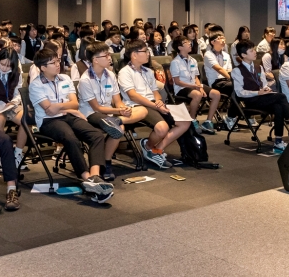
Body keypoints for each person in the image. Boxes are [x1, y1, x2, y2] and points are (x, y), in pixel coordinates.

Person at [29, 46, 114, 202]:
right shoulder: (35, 85)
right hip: (48, 122)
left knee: (96, 135)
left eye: (57, 61)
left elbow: (74, 104)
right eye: (53, 63)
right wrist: (63, 106)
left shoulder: (65, 79)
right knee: (70, 138)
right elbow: (48, 110)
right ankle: (86, 177)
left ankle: (95, 177)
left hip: (68, 115)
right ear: (42, 68)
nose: (57, 64)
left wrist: (59, 106)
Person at [118, 39, 191, 169]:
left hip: (153, 104)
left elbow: (155, 91)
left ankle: (156, 149)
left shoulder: (148, 71)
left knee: (185, 121)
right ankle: (147, 146)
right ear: (134, 55)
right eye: (145, 51)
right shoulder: (125, 72)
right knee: (162, 128)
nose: (148, 54)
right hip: (137, 106)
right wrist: (155, 106)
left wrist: (158, 101)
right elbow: (133, 96)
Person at [77, 41, 137, 181]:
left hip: (110, 113)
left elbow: (117, 100)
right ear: (95, 60)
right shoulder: (85, 80)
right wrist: (118, 111)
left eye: (109, 54)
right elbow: (96, 108)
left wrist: (122, 107)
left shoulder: (110, 75)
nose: (110, 57)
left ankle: (106, 160)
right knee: (117, 125)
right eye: (106, 55)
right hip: (91, 114)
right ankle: (106, 162)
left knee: (121, 124)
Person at [230, 41, 289, 153]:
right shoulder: (237, 71)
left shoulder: (259, 67)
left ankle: (278, 141)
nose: (255, 52)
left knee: (278, 106)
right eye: (251, 51)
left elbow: (263, 83)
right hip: (251, 101)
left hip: (264, 98)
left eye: (254, 49)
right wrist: (257, 93)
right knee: (281, 97)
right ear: (243, 55)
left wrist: (266, 89)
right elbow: (239, 92)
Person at [0, 47, 28, 173]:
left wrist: (13, 102)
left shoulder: (17, 73)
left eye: (8, 66)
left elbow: (18, 92)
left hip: (9, 104)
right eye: (2, 64)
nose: (4, 68)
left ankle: (18, 153)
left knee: (26, 120)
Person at [170, 37, 221, 135]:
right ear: (180, 47)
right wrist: (195, 87)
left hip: (194, 85)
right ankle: (192, 120)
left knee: (216, 94)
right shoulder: (175, 62)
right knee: (197, 95)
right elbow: (177, 81)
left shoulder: (193, 60)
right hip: (182, 88)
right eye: (186, 43)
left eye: (189, 42)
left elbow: (196, 77)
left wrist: (199, 87)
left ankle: (208, 122)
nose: (189, 44)